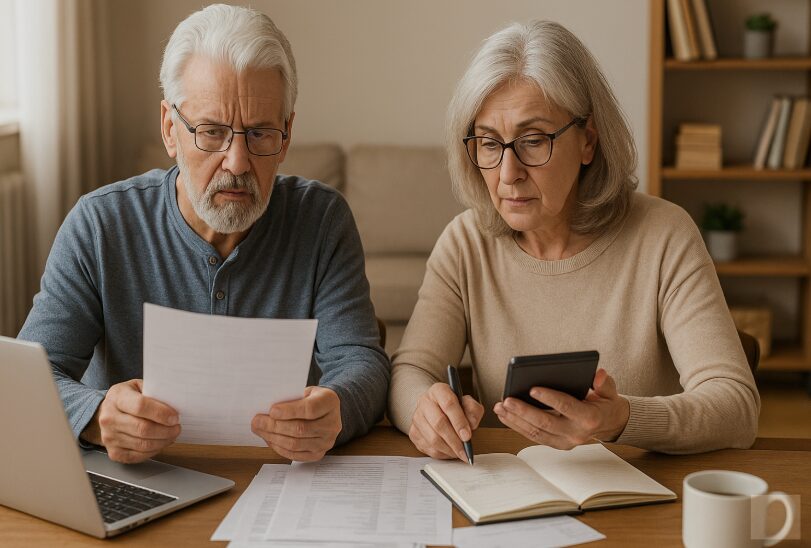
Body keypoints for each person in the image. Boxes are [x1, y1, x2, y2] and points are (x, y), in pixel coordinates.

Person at [18, 4, 389, 464]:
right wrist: (95, 416)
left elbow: (363, 364)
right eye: (212, 132)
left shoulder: (322, 220)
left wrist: (337, 409)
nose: (237, 162)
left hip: (279, 479)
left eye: (260, 134)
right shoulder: (99, 225)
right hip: (142, 480)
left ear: (287, 134)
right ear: (169, 129)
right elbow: (28, 382)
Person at [388, 20, 759, 458]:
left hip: (643, 491)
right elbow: (410, 371)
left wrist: (622, 420)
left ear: (588, 142)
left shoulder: (664, 235)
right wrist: (424, 410)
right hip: (508, 490)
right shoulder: (465, 243)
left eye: (532, 141)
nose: (508, 174)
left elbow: (736, 406)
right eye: (489, 143)